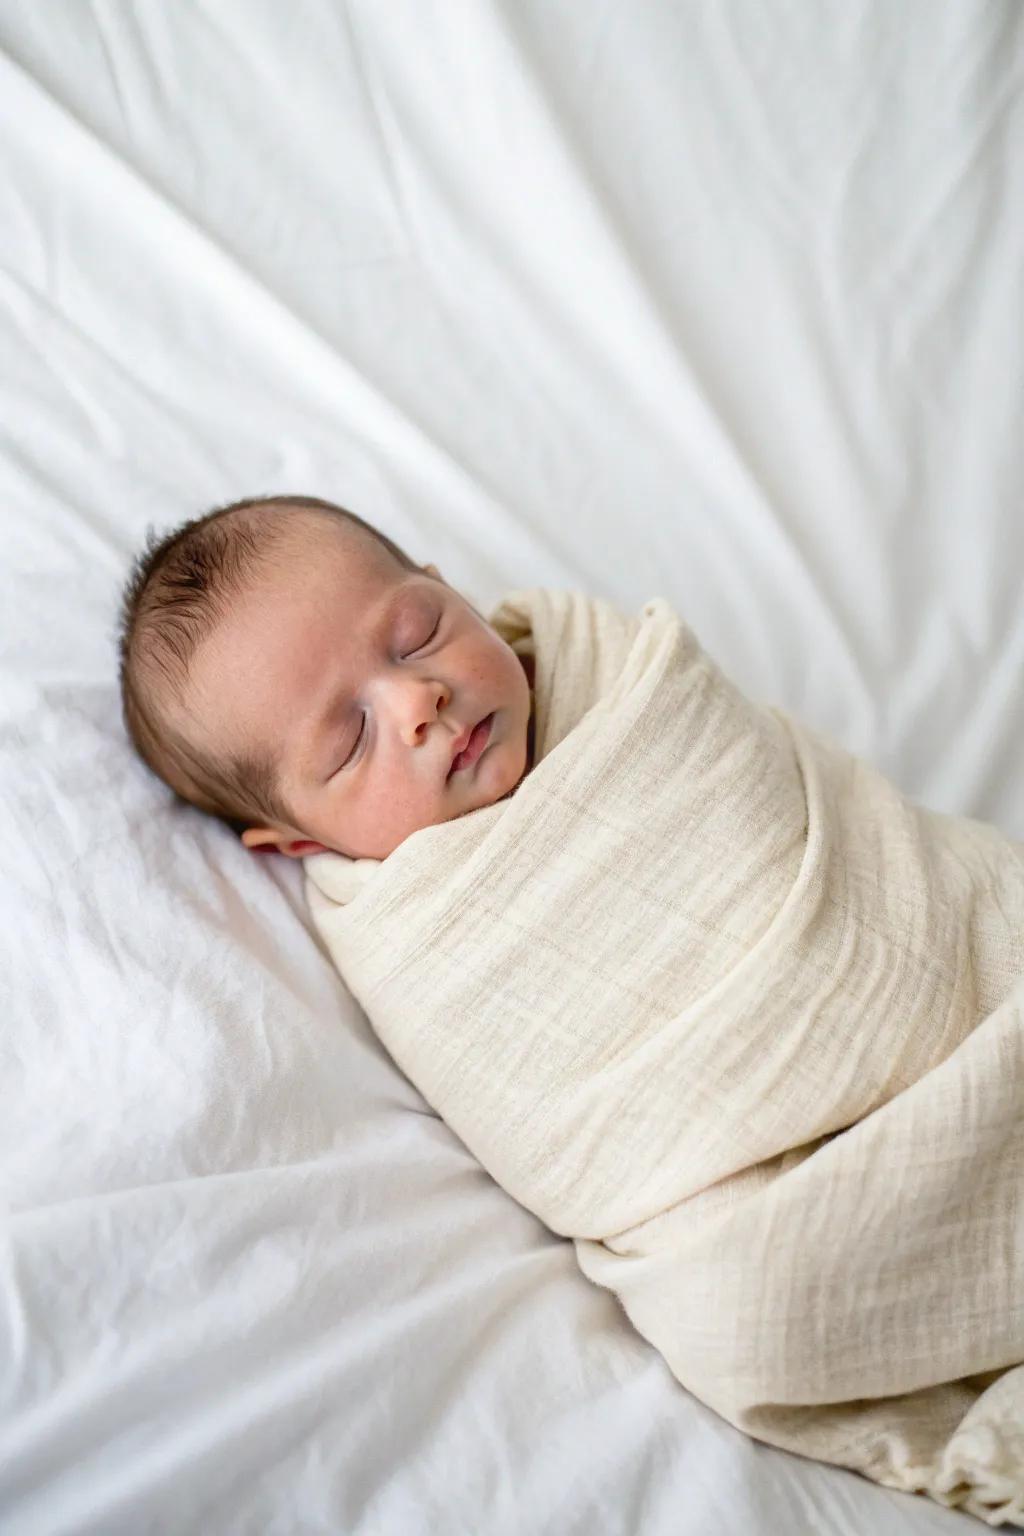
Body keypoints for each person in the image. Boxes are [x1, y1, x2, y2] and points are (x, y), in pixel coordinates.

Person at [117, 493, 537, 861]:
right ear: (304, 841)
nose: (417, 702)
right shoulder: (399, 922)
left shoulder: (574, 643)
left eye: (420, 635)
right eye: (352, 741)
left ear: (455, 595)